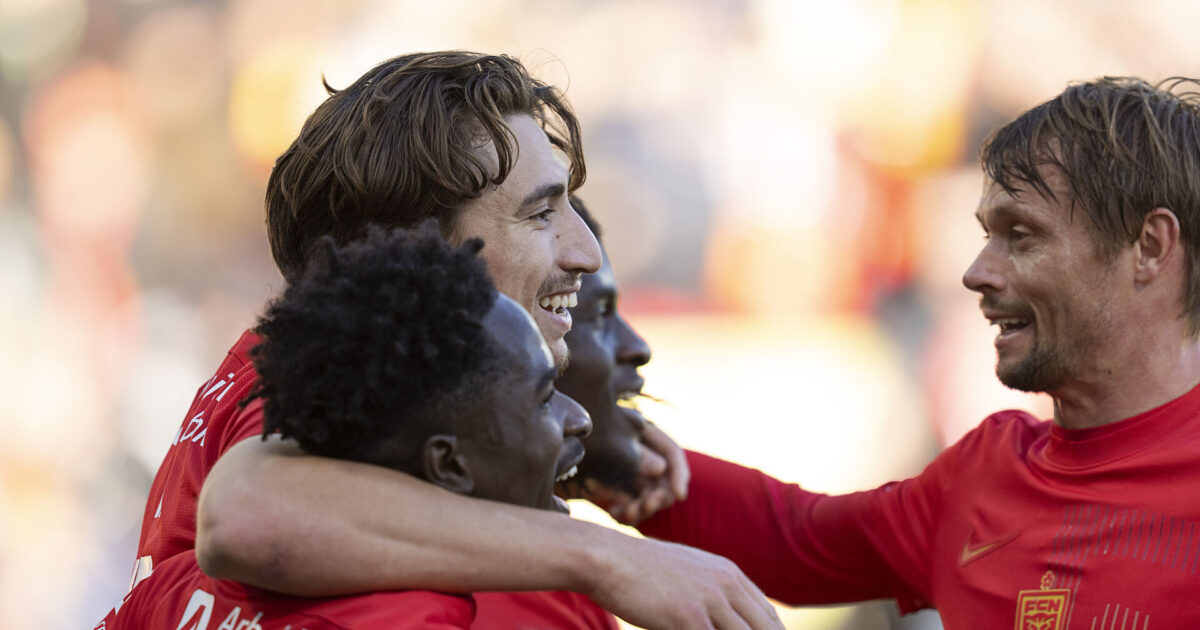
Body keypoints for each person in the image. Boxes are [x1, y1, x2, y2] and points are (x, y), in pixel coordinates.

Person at [128, 50, 780, 630]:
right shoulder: (305, 419)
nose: (584, 252)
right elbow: (247, 513)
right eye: (542, 212)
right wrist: (610, 559)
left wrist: (530, 451)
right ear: (416, 252)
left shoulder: (350, 415)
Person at [635, 76, 1200, 628]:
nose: (978, 274)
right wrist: (606, 454)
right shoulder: (984, 472)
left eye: (1021, 236)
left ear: (1150, 247)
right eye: (987, 237)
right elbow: (796, 536)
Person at [101, 225, 599, 628]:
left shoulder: (172, 589)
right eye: (543, 399)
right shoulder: (415, 620)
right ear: (446, 462)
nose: (578, 418)